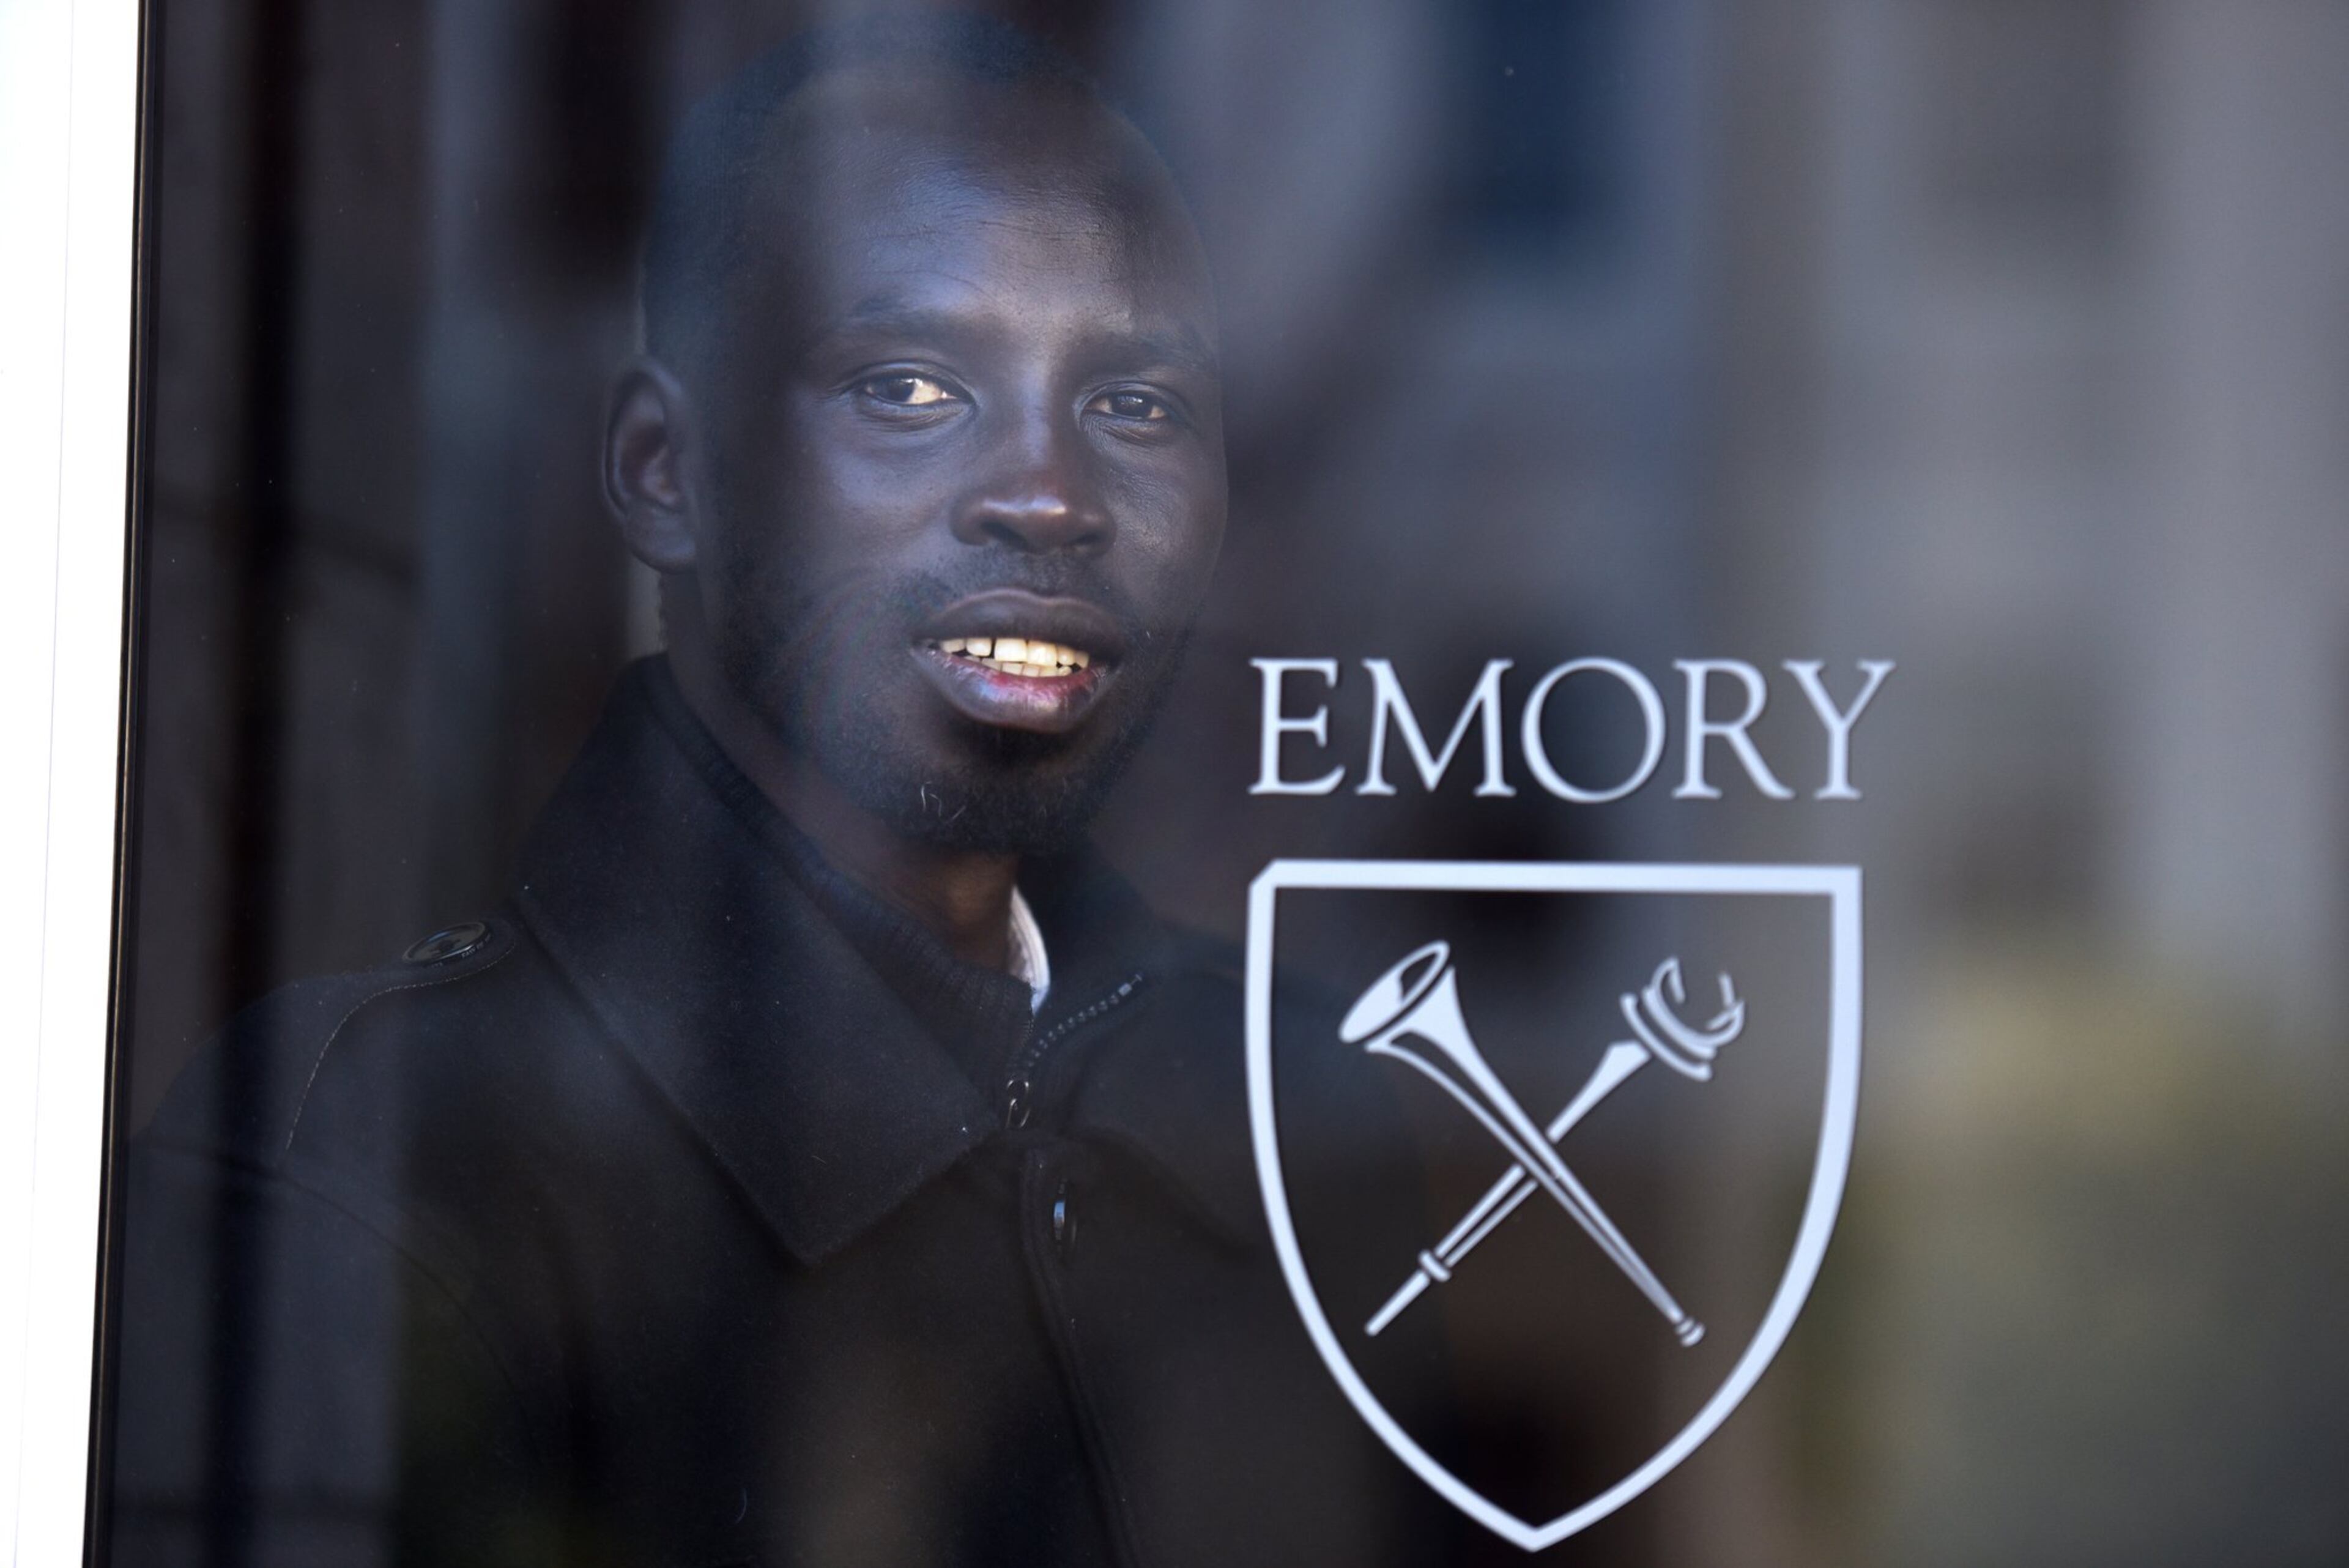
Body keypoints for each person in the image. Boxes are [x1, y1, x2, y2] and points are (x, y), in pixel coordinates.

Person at [107, 16, 1447, 1567]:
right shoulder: (362, 1156)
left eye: (1136, 407)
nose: (1050, 496)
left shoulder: (1288, 1121)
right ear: (662, 471)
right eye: (910, 387)